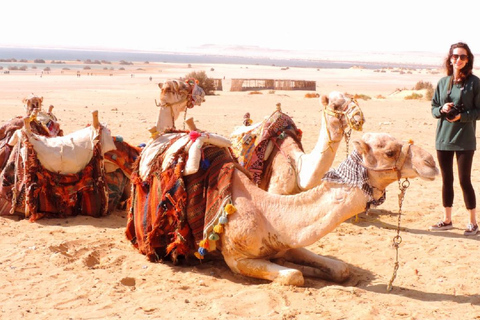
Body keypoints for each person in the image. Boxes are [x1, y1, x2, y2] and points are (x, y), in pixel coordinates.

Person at [430, 42, 480, 235]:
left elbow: (479, 111)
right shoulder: (443, 83)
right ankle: (447, 219)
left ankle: (473, 223)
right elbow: (434, 108)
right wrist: (441, 109)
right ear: (450, 58)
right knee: (446, 180)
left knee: (464, 180)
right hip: (442, 139)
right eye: (455, 56)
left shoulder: (475, 83)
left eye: (462, 57)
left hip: (465, 140)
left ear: (468, 60)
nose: (458, 60)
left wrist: (462, 116)